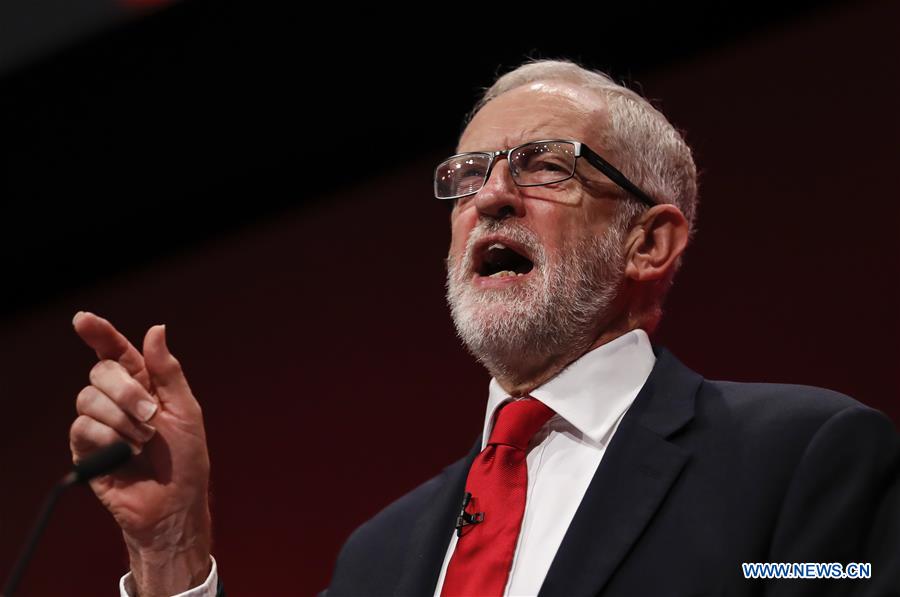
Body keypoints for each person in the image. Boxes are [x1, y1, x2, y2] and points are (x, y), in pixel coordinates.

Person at [68, 60, 899, 597]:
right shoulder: (378, 562)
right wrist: (172, 548)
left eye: (545, 166)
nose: (491, 196)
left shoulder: (801, 459)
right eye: (469, 176)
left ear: (649, 241)